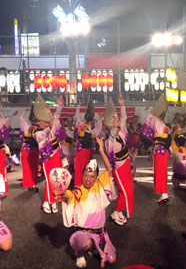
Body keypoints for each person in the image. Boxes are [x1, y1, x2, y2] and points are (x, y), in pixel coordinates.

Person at [59, 136, 117, 268]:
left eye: (92, 177)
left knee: (112, 260)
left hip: (100, 234)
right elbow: (68, 195)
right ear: (82, 175)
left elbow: (109, 170)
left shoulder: (100, 186)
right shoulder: (78, 191)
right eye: (86, 175)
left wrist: (102, 150)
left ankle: (95, 246)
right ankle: (80, 254)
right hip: (83, 233)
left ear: (96, 178)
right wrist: (61, 192)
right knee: (85, 244)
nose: (88, 179)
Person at [32, 94, 67, 214]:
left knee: (57, 178)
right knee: (49, 179)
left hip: (56, 155)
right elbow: (46, 136)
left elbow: (55, 118)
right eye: (44, 121)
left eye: (47, 121)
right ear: (38, 122)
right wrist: (51, 126)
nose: (47, 123)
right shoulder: (37, 132)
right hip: (48, 158)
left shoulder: (49, 127)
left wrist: (59, 106)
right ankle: (48, 201)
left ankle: (51, 201)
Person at [104, 94, 134, 225]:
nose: (118, 119)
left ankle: (119, 211)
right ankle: (115, 212)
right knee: (125, 190)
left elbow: (124, 119)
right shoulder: (109, 140)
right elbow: (111, 137)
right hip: (118, 167)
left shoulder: (121, 132)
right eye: (115, 118)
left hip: (125, 163)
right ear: (111, 122)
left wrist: (122, 105)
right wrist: (112, 131)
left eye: (117, 118)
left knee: (129, 189)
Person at [140, 94, 171, 204]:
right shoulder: (164, 125)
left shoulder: (158, 122)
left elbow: (148, 123)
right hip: (164, 151)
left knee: (159, 172)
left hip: (160, 151)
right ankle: (164, 192)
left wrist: (149, 112)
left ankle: (163, 193)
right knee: (162, 172)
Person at [74, 97, 102, 186]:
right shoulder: (81, 125)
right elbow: (77, 116)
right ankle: (79, 183)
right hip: (81, 149)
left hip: (88, 150)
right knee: (80, 167)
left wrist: (101, 118)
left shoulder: (94, 129)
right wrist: (78, 106)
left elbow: (99, 127)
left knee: (87, 166)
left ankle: (86, 182)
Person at [20, 107, 39, 192]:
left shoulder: (39, 126)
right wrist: (24, 111)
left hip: (35, 147)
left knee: (34, 166)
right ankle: (29, 184)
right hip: (27, 147)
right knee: (27, 167)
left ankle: (33, 183)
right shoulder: (26, 123)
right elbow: (21, 118)